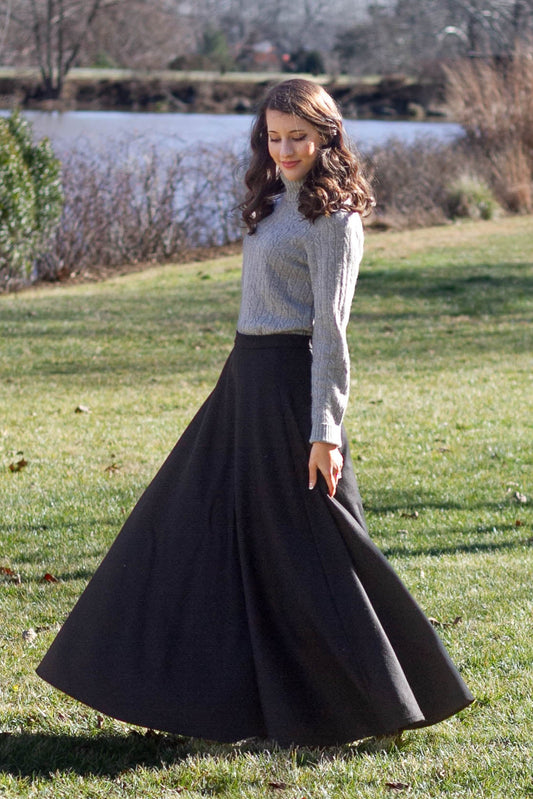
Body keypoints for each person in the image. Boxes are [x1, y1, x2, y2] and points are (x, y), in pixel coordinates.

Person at [37, 79, 473, 747]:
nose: (284, 148)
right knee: (186, 528)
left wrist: (324, 432)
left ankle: (369, 701)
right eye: (273, 136)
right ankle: (220, 701)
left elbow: (330, 333)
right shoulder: (274, 200)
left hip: (290, 391)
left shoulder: (335, 218)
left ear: (327, 133)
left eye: (297, 135)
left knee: (309, 553)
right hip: (244, 381)